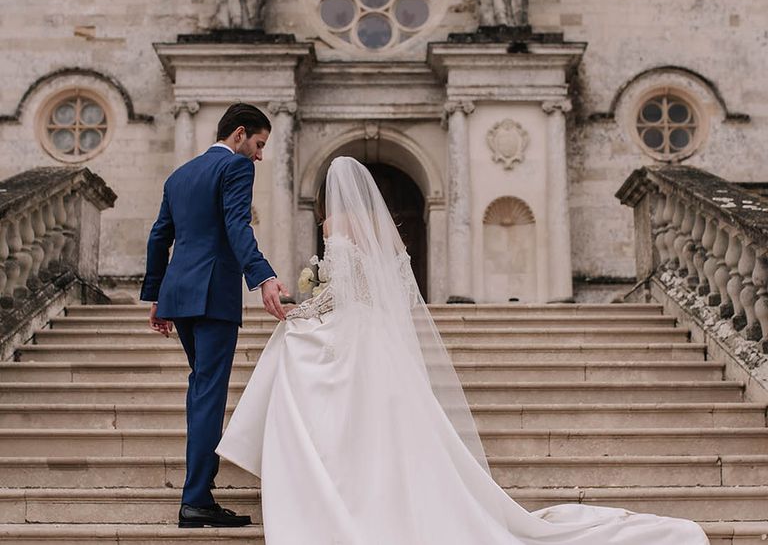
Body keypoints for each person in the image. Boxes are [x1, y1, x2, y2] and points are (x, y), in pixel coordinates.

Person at [217, 156, 710, 544]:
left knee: (302, 360)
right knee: (378, 423)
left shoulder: (332, 230)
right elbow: (376, 287)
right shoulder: (375, 227)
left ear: (324, 199)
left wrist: (305, 308)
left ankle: (330, 485)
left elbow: (343, 291)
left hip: (351, 331)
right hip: (373, 338)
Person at [140, 102, 289, 528]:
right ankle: (196, 500)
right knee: (207, 394)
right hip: (211, 297)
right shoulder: (237, 169)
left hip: (180, 296)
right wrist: (263, 277)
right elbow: (237, 225)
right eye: (259, 144)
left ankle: (197, 494)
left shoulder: (179, 175)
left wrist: (157, 295)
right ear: (239, 134)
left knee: (200, 390)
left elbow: (158, 237)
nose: (259, 154)